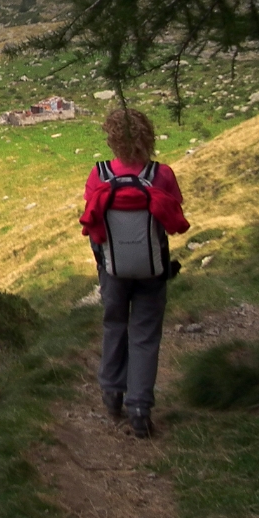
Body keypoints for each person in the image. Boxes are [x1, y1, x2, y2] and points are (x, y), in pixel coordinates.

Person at [80, 108, 189, 438]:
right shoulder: (162, 175)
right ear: (148, 136)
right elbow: (175, 223)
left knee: (114, 325)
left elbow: (92, 226)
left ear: (111, 139)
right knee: (145, 333)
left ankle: (112, 392)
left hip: (112, 269)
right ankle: (140, 408)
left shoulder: (99, 175)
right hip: (152, 269)